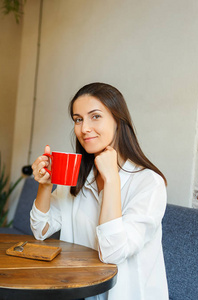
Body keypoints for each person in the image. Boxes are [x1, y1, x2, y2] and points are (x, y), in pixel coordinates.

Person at [30, 82, 168, 300]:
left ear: (118, 121)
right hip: (79, 291)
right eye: (78, 119)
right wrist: (45, 186)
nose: (84, 128)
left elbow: (112, 253)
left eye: (95, 116)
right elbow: (40, 230)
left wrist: (111, 179)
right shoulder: (77, 176)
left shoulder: (149, 183)